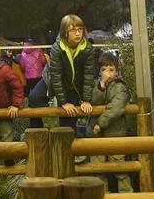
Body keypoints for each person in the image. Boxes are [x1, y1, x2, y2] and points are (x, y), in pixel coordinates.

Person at [86, 53, 133, 193]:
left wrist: (100, 123)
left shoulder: (121, 87)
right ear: (99, 71)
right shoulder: (95, 86)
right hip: (95, 137)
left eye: (111, 69)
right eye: (104, 69)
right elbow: (93, 101)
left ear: (117, 71)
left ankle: (127, 196)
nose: (107, 73)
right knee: (98, 172)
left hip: (115, 134)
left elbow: (116, 107)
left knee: (121, 171)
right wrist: (101, 84)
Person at [48, 14, 99, 130]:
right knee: (35, 99)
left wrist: (86, 100)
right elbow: (56, 76)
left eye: (80, 29)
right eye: (73, 30)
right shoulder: (57, 48)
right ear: (65, 32)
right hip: (63, 83)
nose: (77, 33)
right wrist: (63, 102)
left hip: (76, 83)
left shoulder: (87, 48)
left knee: (76, 114)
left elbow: (89, 74)